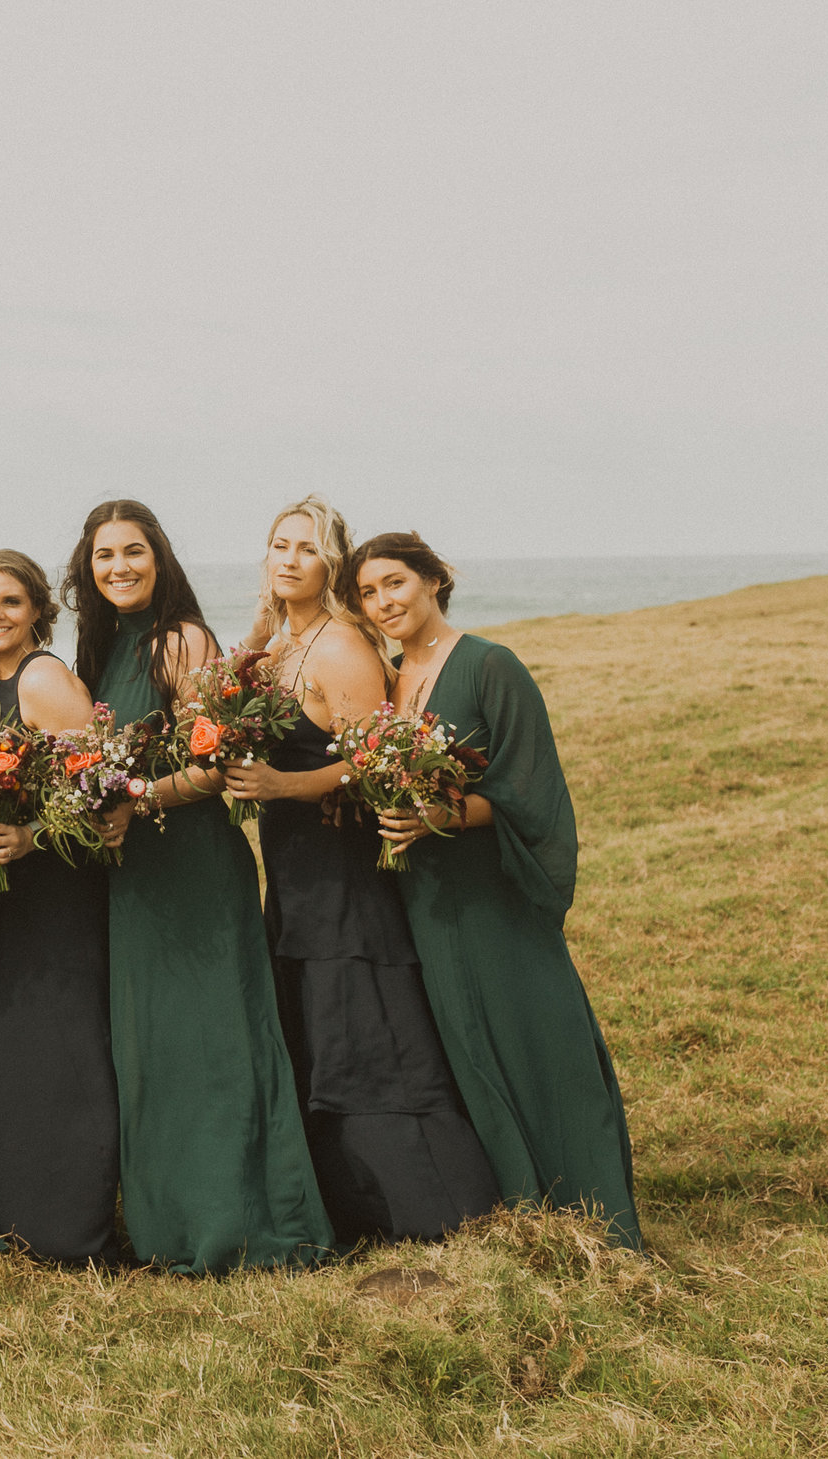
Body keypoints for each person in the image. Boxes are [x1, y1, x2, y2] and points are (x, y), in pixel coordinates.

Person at [221, 499, 498, 1244]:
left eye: (308, 549)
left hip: (343, 870)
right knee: (319, 1030)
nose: (289, 559)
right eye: (279, 544)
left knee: (366, 1030)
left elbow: (369, 761)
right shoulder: (284, 643)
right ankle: (349, 1206)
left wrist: (284, 784)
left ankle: (430, 1208)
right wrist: (255, 638)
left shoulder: (342, 645)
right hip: (294, 870)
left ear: (333, 565)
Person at [353, 532, 642, 1247]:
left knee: (541, 1038)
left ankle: (598, 1214)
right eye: (367, 592)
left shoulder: (489, 664)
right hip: (425, 899)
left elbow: (531, 791)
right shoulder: (386, 679)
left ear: (433, 580)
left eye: (394, 583)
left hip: (494, 893)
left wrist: (440, 814)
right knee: (464, 1046)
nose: (383, 601)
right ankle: (521, 1208)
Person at [68, 499, 333, 1272]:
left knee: (211, 1040)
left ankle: (238, 1222)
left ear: (160, 559)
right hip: (134, 873)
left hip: (191, 867)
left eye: (133, 551)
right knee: (152, 1045)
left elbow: (217, 765)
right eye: (105, 554)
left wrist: (137, 799)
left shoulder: (181, 638)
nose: (119, 566)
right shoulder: (104, 647)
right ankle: (169, 1225)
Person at [0, 548, 123, 1263]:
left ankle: (72, 1226)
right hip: (9, 892)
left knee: (63, 1049)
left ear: (36, 610)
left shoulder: (42, 677)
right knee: (21, 1050)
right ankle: (21, 1210)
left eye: (10, 601)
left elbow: (101, 789)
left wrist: (30, 836)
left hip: (56, 891)